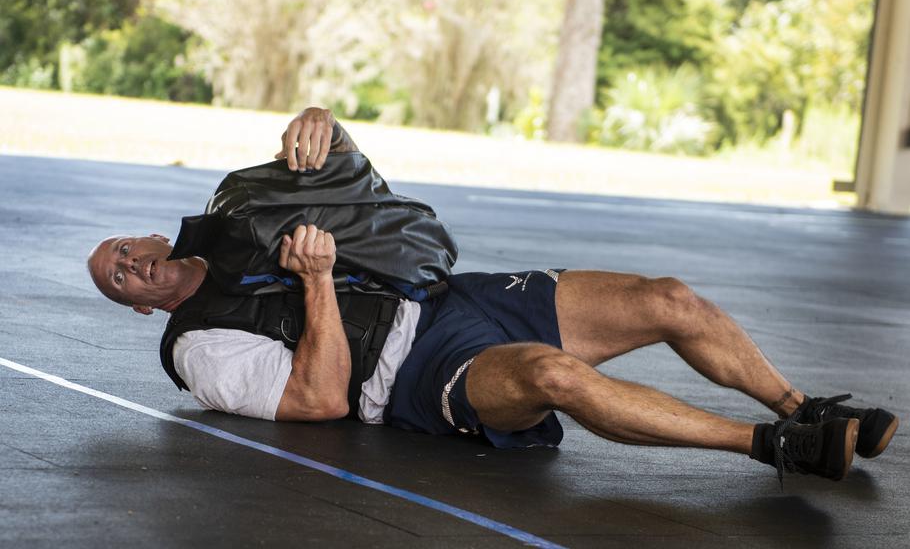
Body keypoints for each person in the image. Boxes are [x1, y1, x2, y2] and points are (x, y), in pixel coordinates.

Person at [87, 107, 898, 485]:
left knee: (668, 297)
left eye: (127, 250)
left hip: (448, 297)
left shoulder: (236, 213)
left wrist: (324, 122)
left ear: (154, 240)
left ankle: (803, 410)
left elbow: (353, 183)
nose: (131, 265)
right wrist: (318, 280)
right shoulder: (196, 350)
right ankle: (769, 448)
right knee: (555, 376)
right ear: (137, 307)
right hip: (409, 373)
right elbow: (318, 398)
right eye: (117, 276)